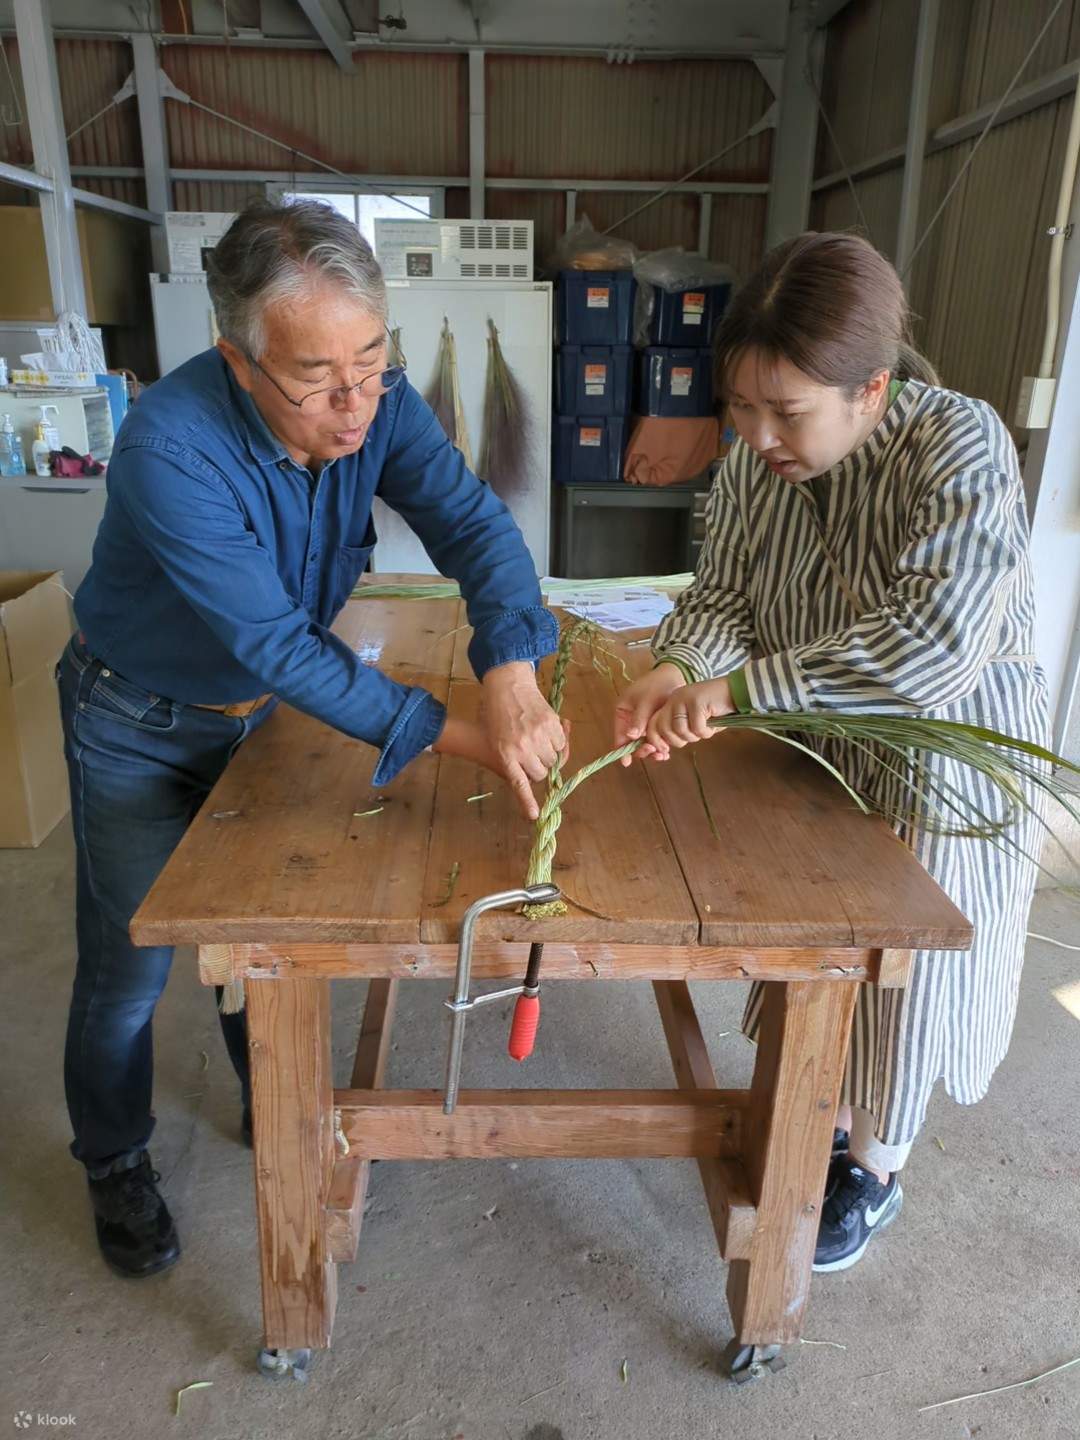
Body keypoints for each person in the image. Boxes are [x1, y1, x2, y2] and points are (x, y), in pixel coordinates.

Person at [58, 198, 567, 1279]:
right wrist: (465, 734)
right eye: (316, 377)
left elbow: (470, 521)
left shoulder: (376, 403)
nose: (355, 404)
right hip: (138, 721)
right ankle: (113, 1158)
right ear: (238, 361)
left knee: (264, 940)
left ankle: (272, 1099)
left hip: (255, 717)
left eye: (373, 359)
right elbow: (282, 642)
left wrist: (512, 667)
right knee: (129, 973)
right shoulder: (170, 449)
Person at [613, 231, 1050, 1273]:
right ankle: (812, 1112)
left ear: (871, 389)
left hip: (944, 754)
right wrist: (679, 666)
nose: (760, 434)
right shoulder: (759, 464)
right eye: (743, 407)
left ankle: (876, 1169)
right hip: (823, 742)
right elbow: (723, 591)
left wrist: (744, 689)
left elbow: (935, 647)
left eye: (788, 411)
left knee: (905, 986)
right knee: (818, 947)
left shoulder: (961, 447)